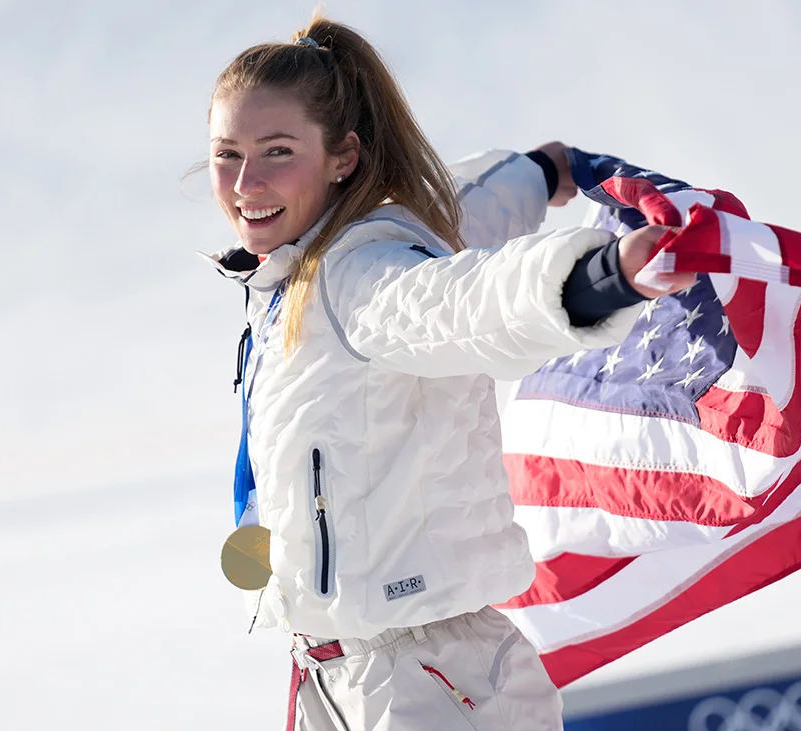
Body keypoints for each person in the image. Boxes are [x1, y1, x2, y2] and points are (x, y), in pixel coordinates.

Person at [200, 14, 695, 731]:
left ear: (342, 156)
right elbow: (465, 207)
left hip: (427, 685)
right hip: (339, 678)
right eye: (227, 153)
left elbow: (463, 304)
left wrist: (602, 279)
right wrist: (541, 171)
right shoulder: (294, 273)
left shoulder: (362, 275)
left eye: (276, 151)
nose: (247, 182)